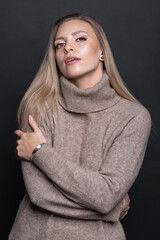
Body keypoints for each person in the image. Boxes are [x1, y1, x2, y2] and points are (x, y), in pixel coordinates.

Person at [9, 13, 151, 240]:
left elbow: (106, 195)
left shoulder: (133, 117)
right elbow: (40, 195)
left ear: (102, 52)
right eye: (60, 44)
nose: (68, 48)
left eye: (80, 39)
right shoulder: (38, 108)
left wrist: (39, 152)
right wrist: (112, 209)